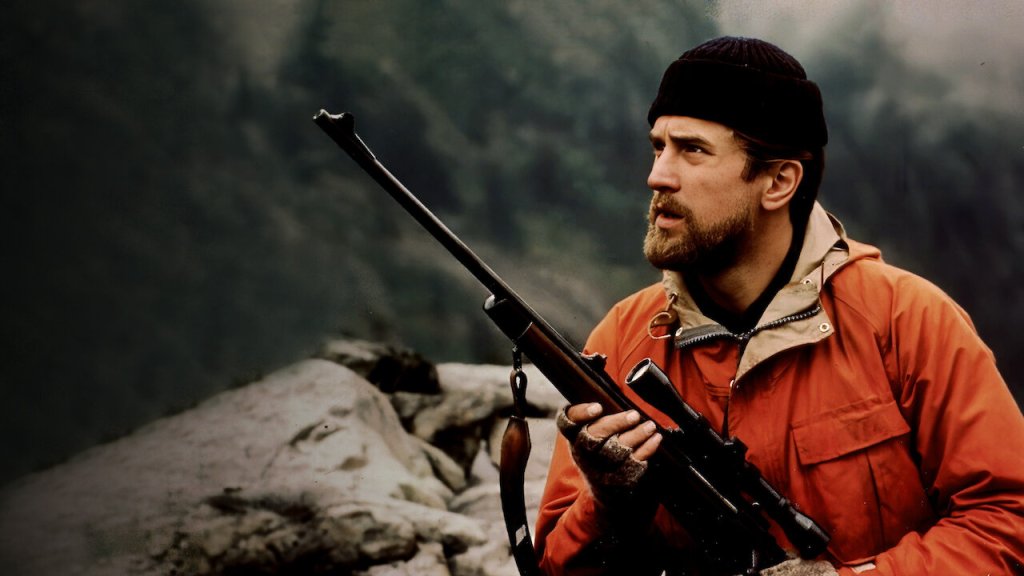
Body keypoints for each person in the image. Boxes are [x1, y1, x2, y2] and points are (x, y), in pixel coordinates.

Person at [533, 36, 1024, 575]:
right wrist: (607, 504)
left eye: (692, 150)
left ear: (779, 182)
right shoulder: (623, 338)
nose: (658, 175)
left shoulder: (908, 321)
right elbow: (553, 567)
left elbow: (1008, 519)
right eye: (659, 147)